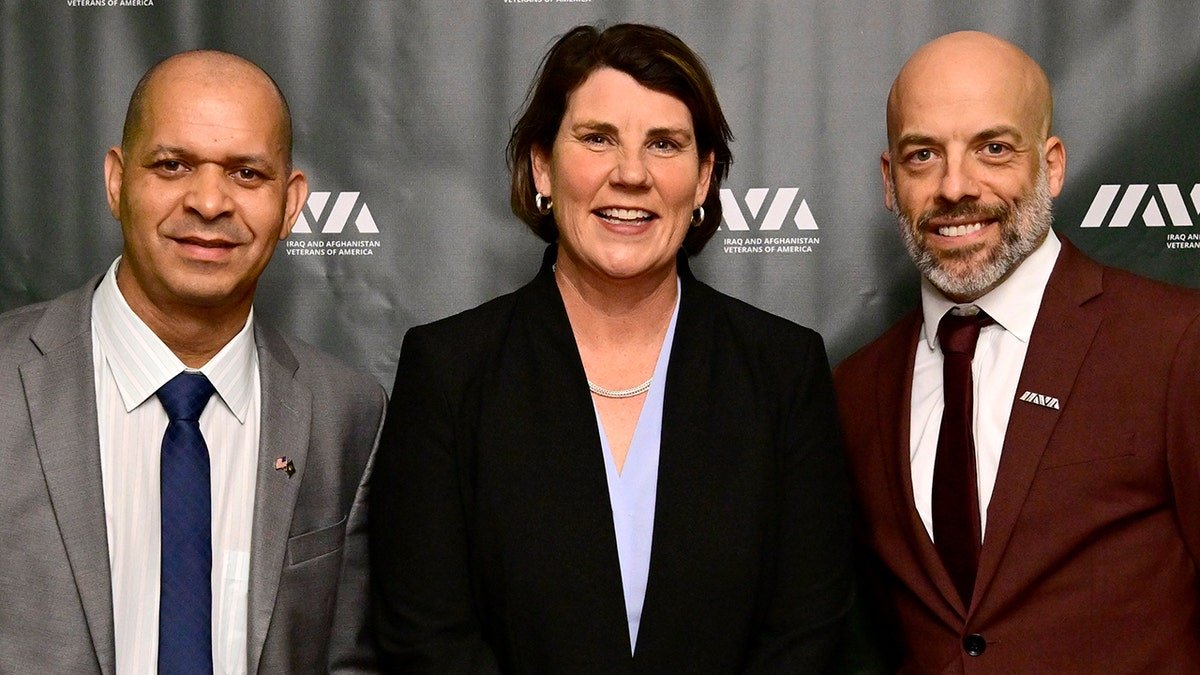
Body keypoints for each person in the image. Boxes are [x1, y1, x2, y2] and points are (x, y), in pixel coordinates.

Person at [370, 23, 852, 673]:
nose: (631, 174)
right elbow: (425, 636)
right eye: (598, 139)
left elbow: (805, 634)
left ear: (704, 176)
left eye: (665, 144)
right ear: (543, 163)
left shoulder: (783, 370)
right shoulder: (450, 370)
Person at [0, 50, 386, 673]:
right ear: (117, 182)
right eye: (173, 165)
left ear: (291, 205)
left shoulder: (346, 413)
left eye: (247, 174)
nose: (209, 202)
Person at [835, 30, 1200, 672]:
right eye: (923, 155)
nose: (955, 187)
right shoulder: (855, 390)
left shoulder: (1175, 343)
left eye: (993, 149)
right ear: (890, 181)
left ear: (1051, 165)